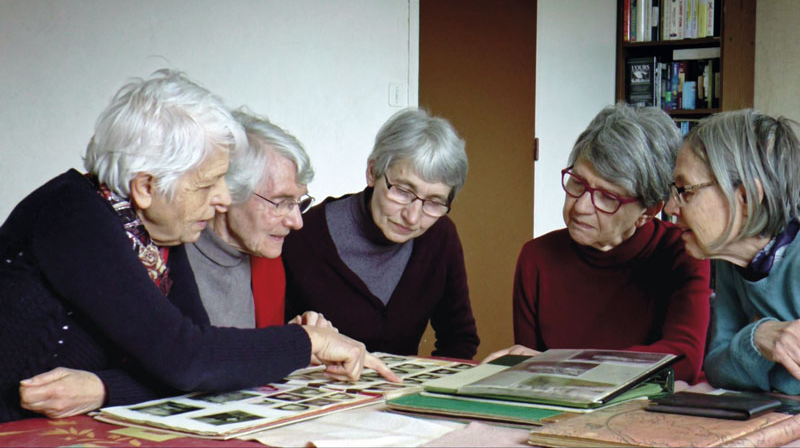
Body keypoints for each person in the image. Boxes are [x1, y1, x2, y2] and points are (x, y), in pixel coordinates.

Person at [0, 69, 397, 423]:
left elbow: (197, 363)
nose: (225, 198)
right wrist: (306, 343)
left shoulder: (160, 236)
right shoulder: (73, 215)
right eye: (208, 184)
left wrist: (103, 388)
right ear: (145, 187)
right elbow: (188, 359)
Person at [484, 103, 712, 384]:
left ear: (649, 211)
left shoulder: (682, 251)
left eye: (607, 197)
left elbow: (683, 361)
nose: (580, 207)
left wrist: (559, 364)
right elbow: (530, 369)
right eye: (578, 183)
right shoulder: (537, 258)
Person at [280, 108, 479, 359]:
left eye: (434, 202)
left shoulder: (441, 237)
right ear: (372, 172)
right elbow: (276, 343)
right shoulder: (302, 236)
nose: (413, 217)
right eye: (403, 191)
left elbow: (459, 339)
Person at [664, 109, 800, 393]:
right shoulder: (730, 258)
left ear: (747, 198)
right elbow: (716, 367)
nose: (670, 208)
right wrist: (757, 338)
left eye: (685, 190)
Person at [186, 108, 317, 329]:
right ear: (228, 190)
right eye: (281, 202)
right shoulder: (168, 256)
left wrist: (297, 338)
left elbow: (255, 356)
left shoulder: (268, 262)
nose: (297, 222)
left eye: (297, 202)